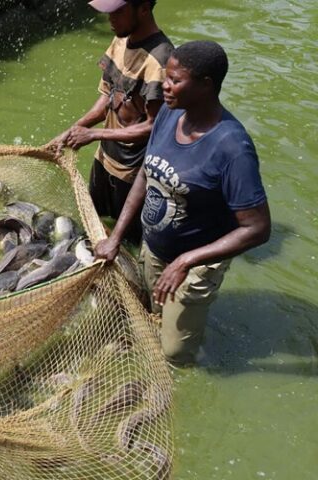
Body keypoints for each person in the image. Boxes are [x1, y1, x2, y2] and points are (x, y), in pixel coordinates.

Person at [94, 41, 271, 365]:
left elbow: (257, 228)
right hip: (157, 245)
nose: (165, 85)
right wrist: (116, 237)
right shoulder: (169, 114)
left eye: (175, 80)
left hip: (198, 260)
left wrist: (187, 261)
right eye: (167, 77)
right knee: (153, 312)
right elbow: (146, 176)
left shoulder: (232, 148)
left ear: (205, 85)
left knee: (176, 354)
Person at [48, 0, 173, 244]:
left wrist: (94, 135)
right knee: (91, 226)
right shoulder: (121, 38)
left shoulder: (160, 61)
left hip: (133, 173)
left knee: (127, 241)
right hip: (104, 159)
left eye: (118, 12)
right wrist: (75, 129)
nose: (111, 19)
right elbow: (108, 96)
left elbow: (154, 126)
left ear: (144, 8)